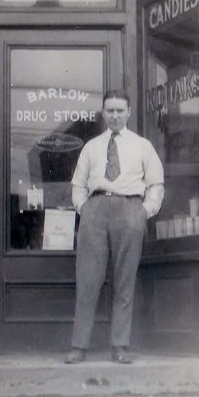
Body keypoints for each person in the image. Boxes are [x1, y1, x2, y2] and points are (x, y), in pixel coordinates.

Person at [65, 89, 164, 365]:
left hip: (130, 210)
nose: (115, 115)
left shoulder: (143, 146)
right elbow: (78, 185)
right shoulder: (91, 146)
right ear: (103, 112)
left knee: (124, 281)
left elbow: (156, 184)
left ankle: (120, 346)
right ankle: (79, 346)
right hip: (95, 211)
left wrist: (143, 212)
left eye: (120, 110)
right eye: (110, 110)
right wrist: (85, 209)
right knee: (87, 281)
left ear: (129, 112)